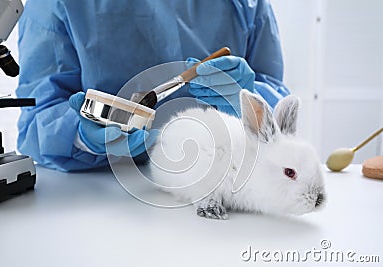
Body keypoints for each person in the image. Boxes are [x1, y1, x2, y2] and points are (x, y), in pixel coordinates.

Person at [16, 0, 290, 172]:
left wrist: (247, 103)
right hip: (97, 196)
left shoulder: (246, 5)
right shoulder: (55, 4)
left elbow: (279, 101)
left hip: (219, 181)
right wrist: (81, 137)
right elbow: (37, 119)